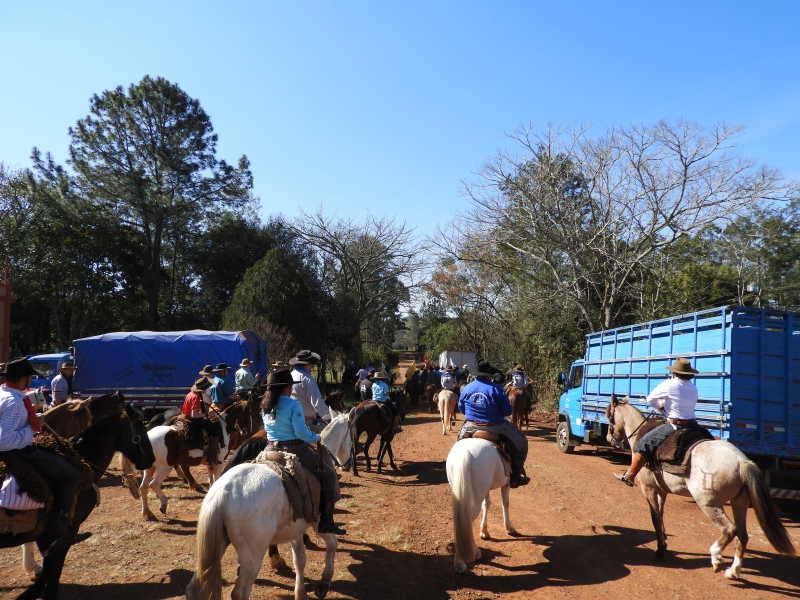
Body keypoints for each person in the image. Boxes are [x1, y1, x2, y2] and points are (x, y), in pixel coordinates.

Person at [0, 358, 87, 549]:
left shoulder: (3, 393)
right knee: (71, 475)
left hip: (15, 447)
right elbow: (5, 441)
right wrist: (33, 427)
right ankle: (59, 531)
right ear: (24, 378)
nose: (31, 380)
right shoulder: (15, 402)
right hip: (16, 452)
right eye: (30, 376)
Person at [262, 368, 345, 534]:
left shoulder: (265, 404)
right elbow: (300, 432)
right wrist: (316, 437)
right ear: (287, 387)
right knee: (329, 476)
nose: (292, 388)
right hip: (294, 449)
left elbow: (267, 428)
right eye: (291, 386)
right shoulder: (293, 404)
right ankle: (327, 521)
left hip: (269, 449)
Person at [614, 357, 700, 486]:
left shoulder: (670, 384)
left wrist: (660, 406)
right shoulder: (693, 388)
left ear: (674, 373)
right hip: (693, 425)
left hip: (675, 425)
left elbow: (650, 399)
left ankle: (630, 475)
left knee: (643, 443)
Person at [457, 358, 530, 488]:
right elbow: (508, 411)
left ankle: (456, 472)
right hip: (496, 426)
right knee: (522, 442)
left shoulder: (467, 388)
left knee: (457, 446)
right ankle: (516, 475)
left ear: (476, 374)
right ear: (489, 374)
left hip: (470, 426)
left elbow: (462, 409)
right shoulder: (497, 389)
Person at [181, 377, 223, 464]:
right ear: (203, 388)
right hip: (193, 419)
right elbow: (194, 415)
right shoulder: (196, 396)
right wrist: (208, 414)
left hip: (185, 416)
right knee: (215, 430)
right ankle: (212, 456)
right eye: (206, 387)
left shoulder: (191, 393)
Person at [289, 350, 331, 434]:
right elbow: (316, 401)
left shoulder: (289, 375)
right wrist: (329, 416)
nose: (311, 366)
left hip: (290, 419)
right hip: (306, 420)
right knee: (331, 434)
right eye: (311, 364)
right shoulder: (307, 378)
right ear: (308, 364)